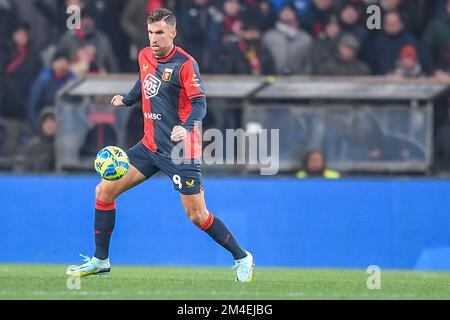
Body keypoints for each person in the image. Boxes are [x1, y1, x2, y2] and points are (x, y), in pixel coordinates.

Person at [66, 8, 254, 283]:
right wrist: (127, 100)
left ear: (173, 33)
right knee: (104, 190)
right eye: (151, 32)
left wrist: (186, 127)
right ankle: (100, 260)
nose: (154, 38)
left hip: (181, 150)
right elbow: (144, 82)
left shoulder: (185, 64)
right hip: (149, 146)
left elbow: (200, 103)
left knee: (197, 215)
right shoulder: (144, 55)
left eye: (160, 33)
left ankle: (242, 257)